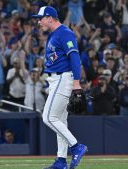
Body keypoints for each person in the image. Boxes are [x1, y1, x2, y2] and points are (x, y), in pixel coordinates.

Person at [32, 6, 87, 169]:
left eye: (40, 18)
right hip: (57, 79)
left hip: (63, 78)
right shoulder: (54, 34)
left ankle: (76, 146)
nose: (38, 21)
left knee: (48, 118)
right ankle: (61, 161)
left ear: (49, 18)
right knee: (60, 120)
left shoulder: (64, 32)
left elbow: (74, 57)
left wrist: (76, 83)